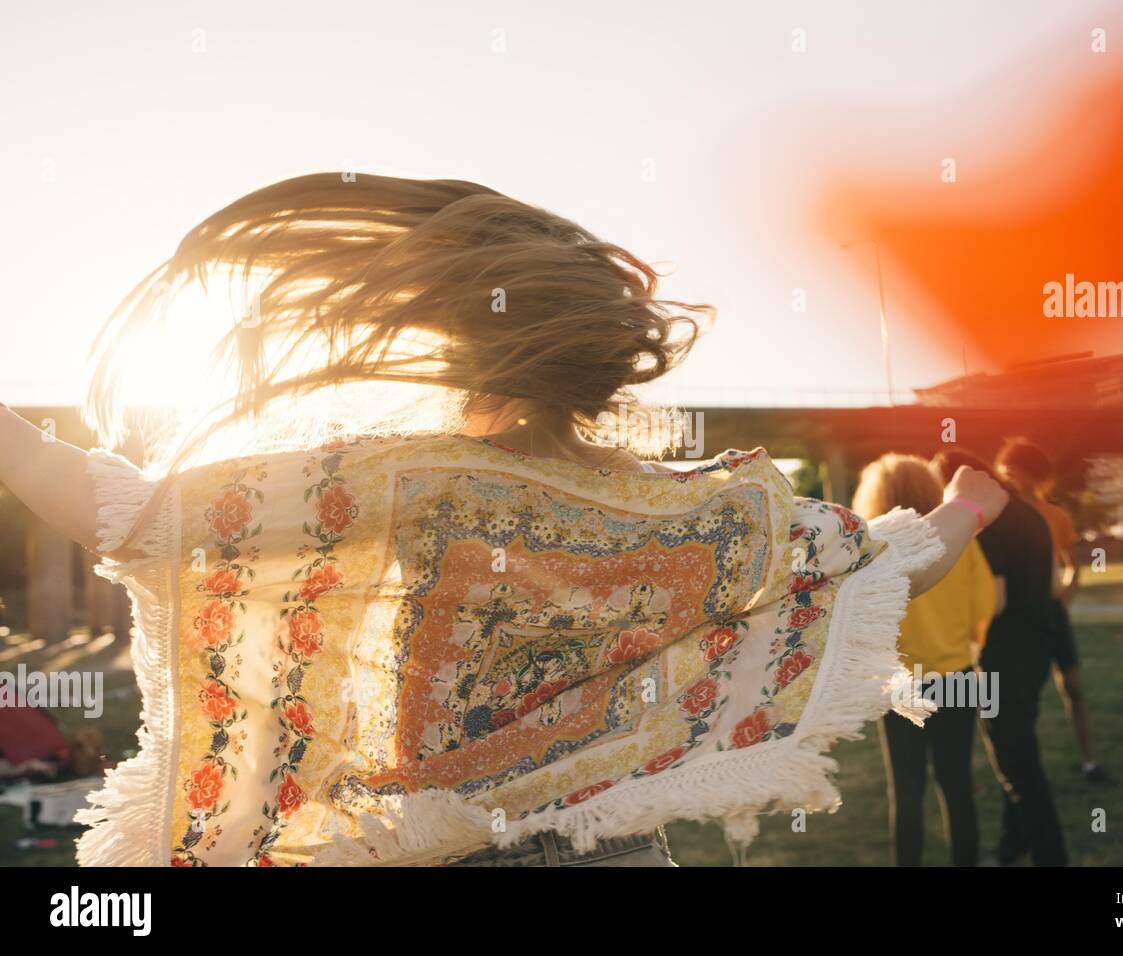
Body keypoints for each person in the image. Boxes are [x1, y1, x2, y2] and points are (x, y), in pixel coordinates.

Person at [0, 174, 1009, 867]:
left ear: (458, 351)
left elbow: (117, 505)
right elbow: (891, 562)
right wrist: (970, 500)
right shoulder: (701, 509)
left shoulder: (404, 484)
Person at [853, 454, 1000, 866]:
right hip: (956, 676)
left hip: (900, 683)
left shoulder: (876, 549)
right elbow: (984, 608)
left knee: (906, 790)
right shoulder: (962, 541)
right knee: (957, 786)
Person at [934, 447, 1068, 866]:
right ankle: (1011, 849)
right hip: (1038, 644)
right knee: (1020, 748)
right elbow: (1050, 584)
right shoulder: (1027, 513)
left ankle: (1051, 855)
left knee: (1014, 763)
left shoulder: (987, 520)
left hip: (1002, 655)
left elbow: (995, 599)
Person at [995, 437, 1112, 785]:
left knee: (1073, 686)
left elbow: (1072, 564)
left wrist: (1066, 595)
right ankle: (1027, 768)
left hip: (1052, 611)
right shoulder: (1000, 515)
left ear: (1035, 475)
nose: (1015, 478)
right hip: (1020, 616)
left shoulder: (1054, 515)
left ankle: (1090, 761)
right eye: (1009, 471)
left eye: (1021, 472)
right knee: (1024, 695)